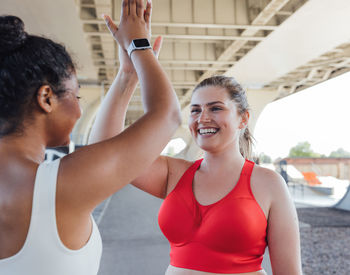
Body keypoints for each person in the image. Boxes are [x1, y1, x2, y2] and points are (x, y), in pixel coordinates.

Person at [90, 35, 303, 275]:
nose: (203, 118)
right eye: (195, 110)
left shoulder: (269, 184)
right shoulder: (173, 174)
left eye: (215, 108)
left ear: (243, 118)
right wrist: (128, 75)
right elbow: (104, 153)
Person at [0, 0, 181, 274]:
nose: (80, 109)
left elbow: (100, 154)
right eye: (76, 95)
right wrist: (139, 45)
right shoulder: (59, 187)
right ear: (46, 98)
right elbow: (167, 115)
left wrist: (127, 75)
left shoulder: (62, 183)